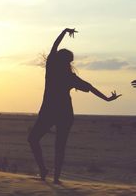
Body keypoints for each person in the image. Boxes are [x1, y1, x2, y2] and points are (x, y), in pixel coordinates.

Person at [27, 28, 121, 184]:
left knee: (34, 139)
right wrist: (107, 99)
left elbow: (54, 46)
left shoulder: (52, 69)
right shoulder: (68, 76)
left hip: (50, 111)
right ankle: (54, 177)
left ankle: (45, 171)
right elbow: (89, 87)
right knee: (57, 145)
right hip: (63, 113)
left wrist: (64, 31)